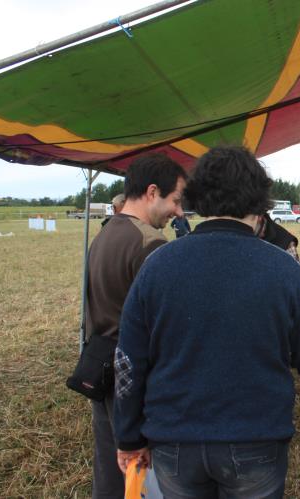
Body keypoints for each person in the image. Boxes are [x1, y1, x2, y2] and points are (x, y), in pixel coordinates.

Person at [114, 146, 300, 498]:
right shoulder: (283, 268)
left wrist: (128, 437)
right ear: (259, 200)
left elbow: (127, 363)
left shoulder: (158, 264)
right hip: (256, 439)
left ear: (198, 197)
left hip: (173, 442)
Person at [85, 155, 187, 499]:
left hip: (100, 372)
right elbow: (164, 334)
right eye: (175, 200)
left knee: (110, 474)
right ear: (152, 191)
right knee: (145, 481)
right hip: (134, 385)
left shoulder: (104, 235)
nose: (177, 212)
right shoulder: (151, 245)